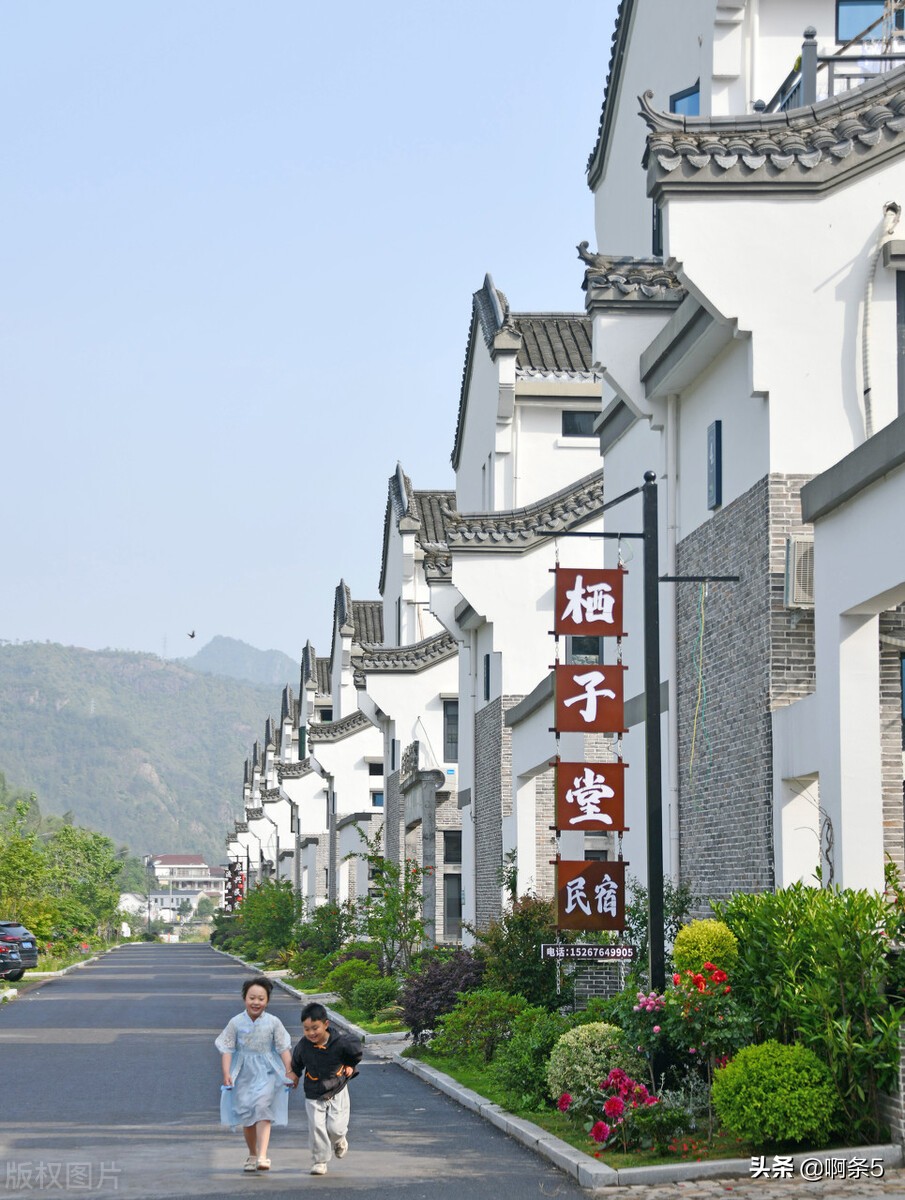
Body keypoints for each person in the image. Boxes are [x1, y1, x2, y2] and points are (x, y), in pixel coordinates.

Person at [215, 976, 293, 1173]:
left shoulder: (274, 1022)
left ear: (267, 1000)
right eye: (252, 998)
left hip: (267, 1072)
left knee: (262, 1107)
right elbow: (227, 1049)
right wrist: (226, 1073)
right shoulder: (235, 1022)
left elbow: (283, 1048)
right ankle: (252, 1153)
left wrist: (290, 1071)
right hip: (243, 1073)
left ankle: (262, 1156)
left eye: (261, 998)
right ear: (244, 999)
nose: (256, 1002)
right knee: (247, 1113)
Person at [288, 1001, 362, 1176]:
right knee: (316, 1127)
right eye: (306, 1029)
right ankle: (320, 1161)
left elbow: (355, 1051)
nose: (311, 1033)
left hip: (337, 1088)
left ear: (326, 1024)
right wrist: (294, 1075)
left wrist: (350, 1065)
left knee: (335, 1128)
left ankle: (340, 1140)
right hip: (313, 1089)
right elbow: (296, 1062)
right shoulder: (303, 1046)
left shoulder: (340, 1042)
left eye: (315, 1028)